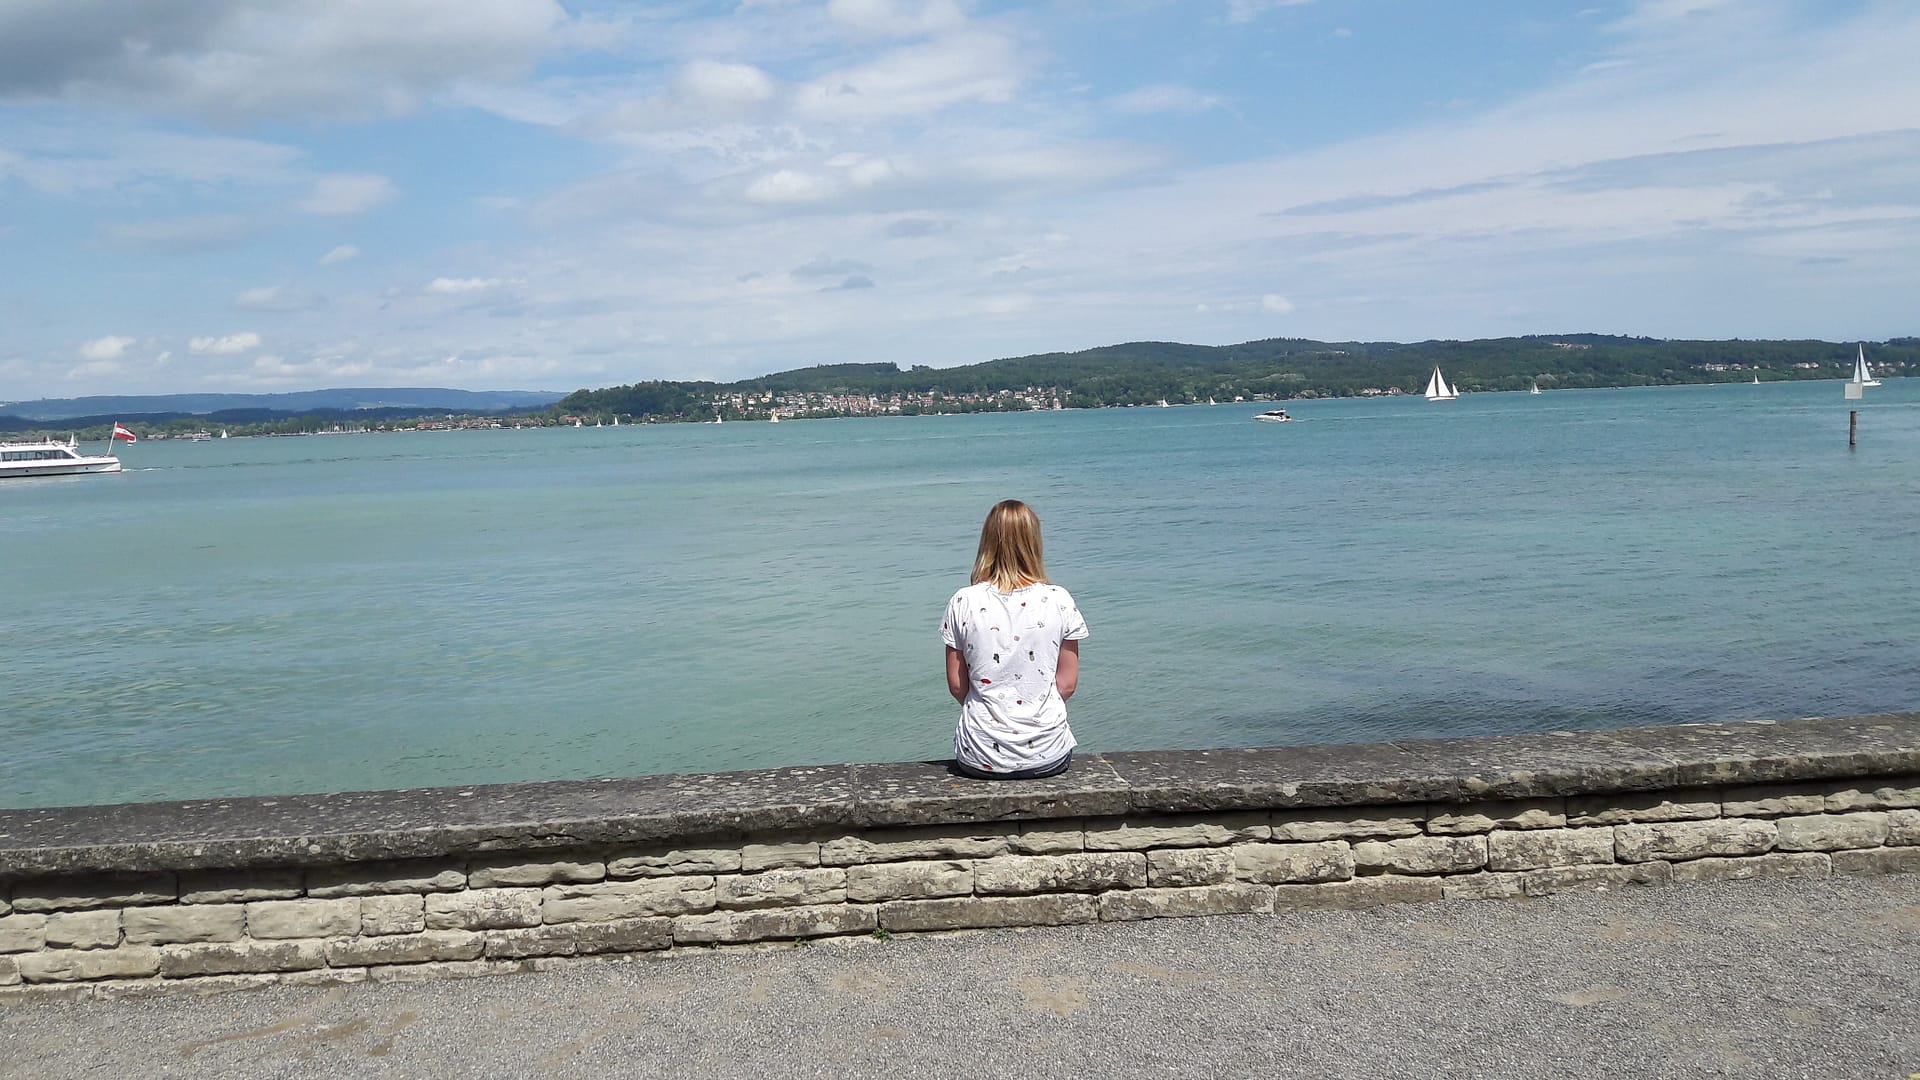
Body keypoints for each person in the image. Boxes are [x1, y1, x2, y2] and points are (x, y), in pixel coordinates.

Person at [939, 500, 1089, 779]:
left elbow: (958, 685)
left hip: (980, 754)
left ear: (987, 542)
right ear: (1034, 542)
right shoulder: (1059, 600)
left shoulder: (963, 601)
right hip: (1049, 753)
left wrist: (996, 719)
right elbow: (1067, 685)